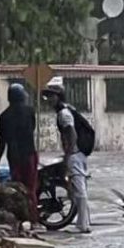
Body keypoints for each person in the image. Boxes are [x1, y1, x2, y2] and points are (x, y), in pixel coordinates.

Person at [42, 77, 91, 234]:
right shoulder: (67, 110)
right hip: (78, 154)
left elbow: (71, 133)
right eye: (48, 96)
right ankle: (84, 222)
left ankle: (83, 225)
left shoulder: (64, 113)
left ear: (59, 97)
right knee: (79, 188)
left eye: (51, 96)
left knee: (79, 189)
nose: (49, 99)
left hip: (75, 155)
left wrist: (68, 153)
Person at [0, 83, 38, 223]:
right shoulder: (29, 112)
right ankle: (33, 219)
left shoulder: (4, 117)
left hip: (14, 158)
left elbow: (2, 142)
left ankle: (22, 219)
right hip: (29, 154)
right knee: (31, 188)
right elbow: (32, 129)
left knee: (18, 189)